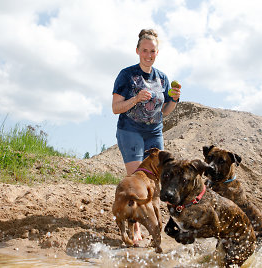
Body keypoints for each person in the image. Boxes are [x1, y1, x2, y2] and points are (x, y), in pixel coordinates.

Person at [112, 29, 181, 240]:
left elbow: (165, 111)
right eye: (145, 50)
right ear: (137, 51)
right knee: (138, 183)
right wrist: (135, 99)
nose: (148, 55)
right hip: (130, 130)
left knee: (154, 185)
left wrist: (175, 99)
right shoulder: (127, 75)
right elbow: (116, 107)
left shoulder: (162, 78)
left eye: (152, 51)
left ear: (157, 53)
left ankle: (155, 225)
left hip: (154, 132)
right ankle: (135, 226)